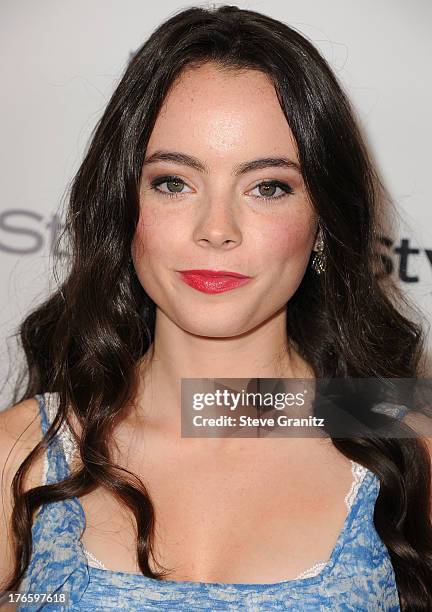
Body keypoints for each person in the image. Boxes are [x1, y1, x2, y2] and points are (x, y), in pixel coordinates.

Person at [1, 4, 431, 610]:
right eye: (174, 182)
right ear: (123, 207)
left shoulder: (409, 453)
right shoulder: (20, 457)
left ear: (325, 223)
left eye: (268, 186)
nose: (217, 229)